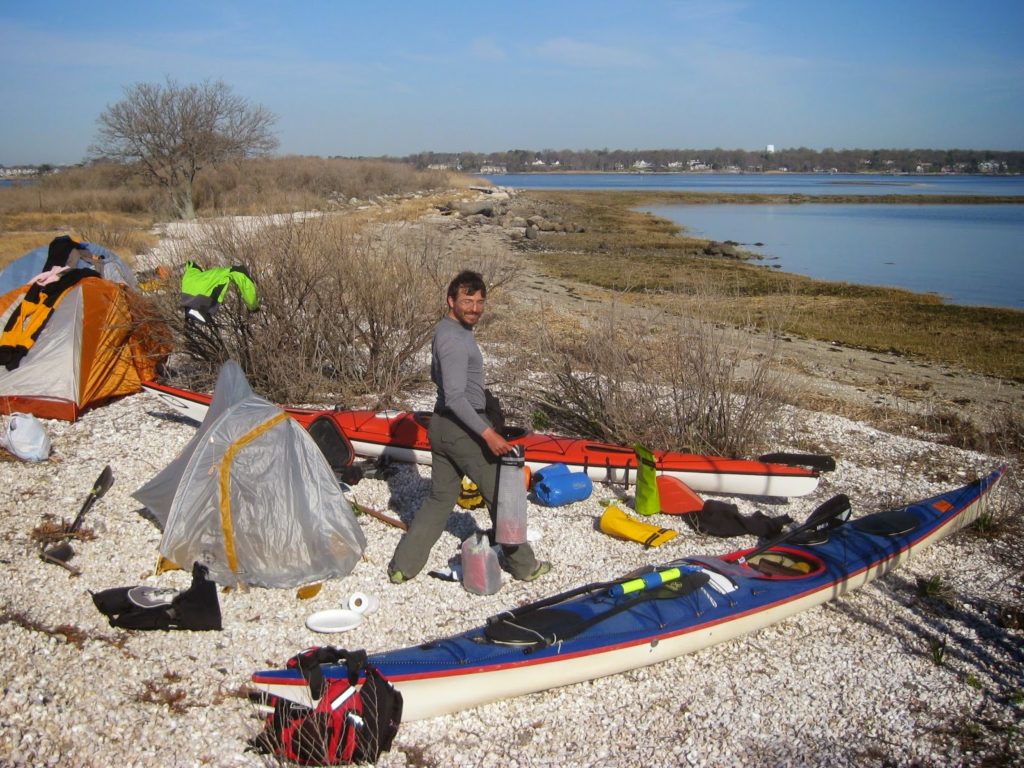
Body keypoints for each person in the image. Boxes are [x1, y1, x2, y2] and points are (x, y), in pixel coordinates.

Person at [388, 270, 550, 584]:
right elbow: (454, 396)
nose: (474, 308)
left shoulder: (451, 331)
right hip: (465, 429)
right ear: (451, 300)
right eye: (467, 300)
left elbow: (444, 383)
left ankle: (402, 567)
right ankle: (524, 566)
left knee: (441, 498)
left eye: (479, 301)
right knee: (501, 496)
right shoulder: (452, 339)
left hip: (445, 426)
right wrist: (487, 433)